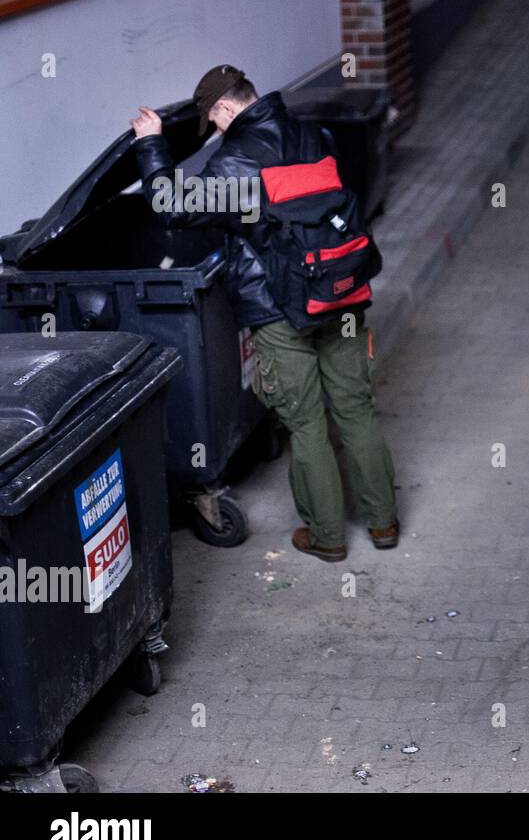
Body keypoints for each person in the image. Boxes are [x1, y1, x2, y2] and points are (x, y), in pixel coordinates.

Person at [130, 65, 398, 561]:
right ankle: (383, 524)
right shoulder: (315, 135)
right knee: (356, 409)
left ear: (227, 109)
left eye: (214, 122)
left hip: (278, 308)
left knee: (307, 425)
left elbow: (171, 206)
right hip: (339, 291)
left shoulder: (235, 163)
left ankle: (327, 536)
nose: (215, 131)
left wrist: (151, 143)